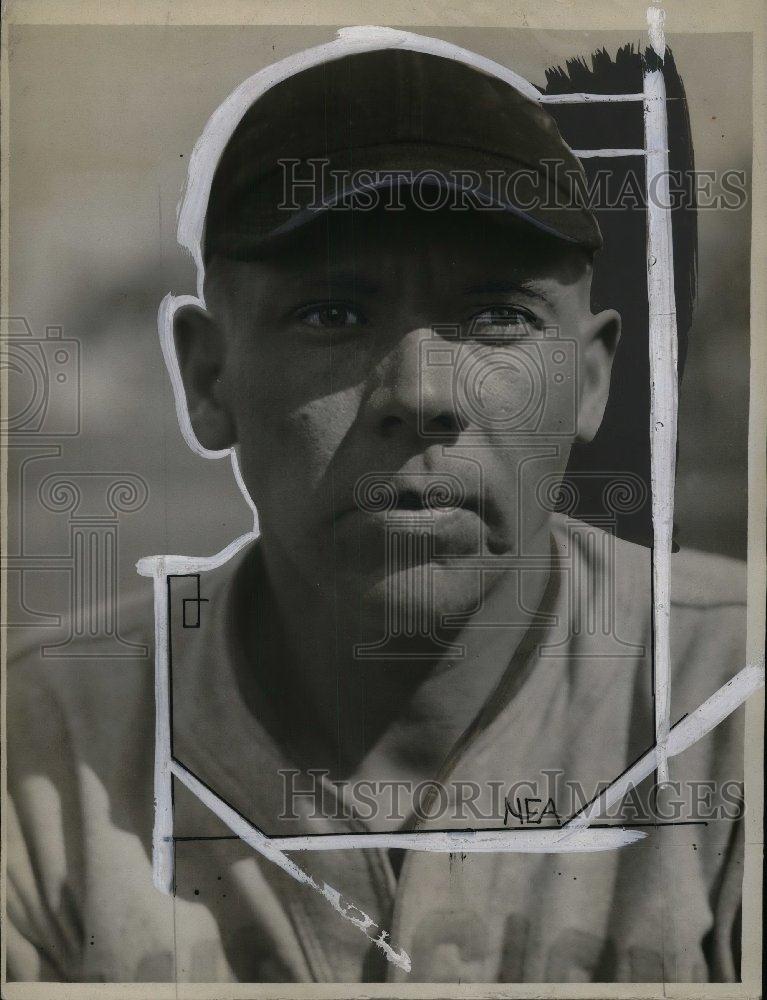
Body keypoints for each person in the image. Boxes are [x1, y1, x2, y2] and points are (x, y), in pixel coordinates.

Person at [7, 35, 748, 984]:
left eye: (496, 318)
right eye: (331, 315)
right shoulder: (45, 747)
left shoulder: (733, 699)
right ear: (207, 375)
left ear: (589, 381)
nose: (421, 391)